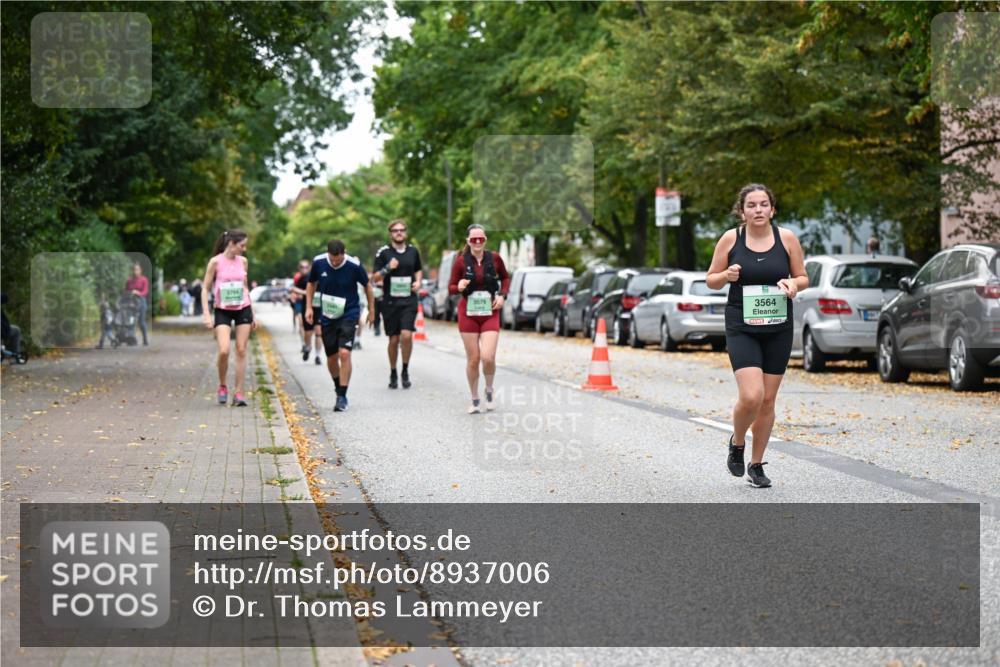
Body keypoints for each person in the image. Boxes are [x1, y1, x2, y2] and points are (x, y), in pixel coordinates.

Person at [706, 184, 808, 488]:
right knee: (752, 395)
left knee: (767, 401)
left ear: (772, 210)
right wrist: (726, 276)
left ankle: (756, 464)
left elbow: (802, 276)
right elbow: (711, 279)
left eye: (764, 204)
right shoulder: (731, 238)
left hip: (778, 325)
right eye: (752, 205)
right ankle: (737, 443)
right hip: (742, 324)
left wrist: (794, 286)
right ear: (742, 211)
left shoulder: (786, 238)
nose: (758, 210)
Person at [305, 239, 375, 412]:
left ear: (344, 253)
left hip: (349, 312)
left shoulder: (354, 265)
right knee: (331, 357)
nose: (335, 262)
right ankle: (338, 386)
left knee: (344, 353)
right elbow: (311, 284)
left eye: (338, 259)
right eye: (332, 259)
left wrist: (372, 310)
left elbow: (367, 286)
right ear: (328, 254)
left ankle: (342, 395)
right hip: (328, 314)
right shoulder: (319, 263)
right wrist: (308, 307)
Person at [448, 224, 510, 414]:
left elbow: (506, 279)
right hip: (468, 314)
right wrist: (458, 286)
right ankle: (475, 398)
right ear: (468, 241)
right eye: (473, 239)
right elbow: (450, 287)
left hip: (490, 312)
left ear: (485, 240)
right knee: (474, 359)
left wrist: (502, 295)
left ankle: (489, 390)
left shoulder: (495, 258)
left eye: (480, 239)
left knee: (488, 357)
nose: (477, 242)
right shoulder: (460, 261)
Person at [201, 229, 257, 407]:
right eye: (242, 245)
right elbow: (205, 288)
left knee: (241, 350)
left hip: (243, 308)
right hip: (223, 309)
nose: (244, 248)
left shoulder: (244, 262)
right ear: (231, 243)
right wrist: (206, 314)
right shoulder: (215, 262)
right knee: (224, 350)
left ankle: (239, 392)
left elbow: (245, 287)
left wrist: (252, 313)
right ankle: (222, 385)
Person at [371, 219, 423, 389]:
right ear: (390, 234)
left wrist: (418, 282)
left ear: (406, 233)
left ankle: (405, 370)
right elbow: (374, 278)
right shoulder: (383, 253)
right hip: (390, 302)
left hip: (409, 300)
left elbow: (418, 269)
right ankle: (393, 371)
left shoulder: (413, 251)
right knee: (393, 340)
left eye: (401, 230)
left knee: (407, 335)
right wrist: (388, 268)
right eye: (395, 230)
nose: (399, 233)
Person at [291, 258, 323, 365]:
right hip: (308, 307)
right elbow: (294, 289)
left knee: (319, 332)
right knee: (308, 333)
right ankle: (308, 348)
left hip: (320, 308)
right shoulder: (305, 278)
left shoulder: (324, 276)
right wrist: (306, 293)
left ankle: (318, 356)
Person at [124, 263, 149, 346]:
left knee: (141, 321)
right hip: (131, 302)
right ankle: (131, 339)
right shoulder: (129, 280)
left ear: (140, 270)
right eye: (134, 270)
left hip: (141, 302)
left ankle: (145, 339)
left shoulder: (144, 279)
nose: (135, 272)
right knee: (131, 321)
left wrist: (138, 293)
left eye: (137, 270)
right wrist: (130, 293)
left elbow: (145, 291)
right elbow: (125, 291)